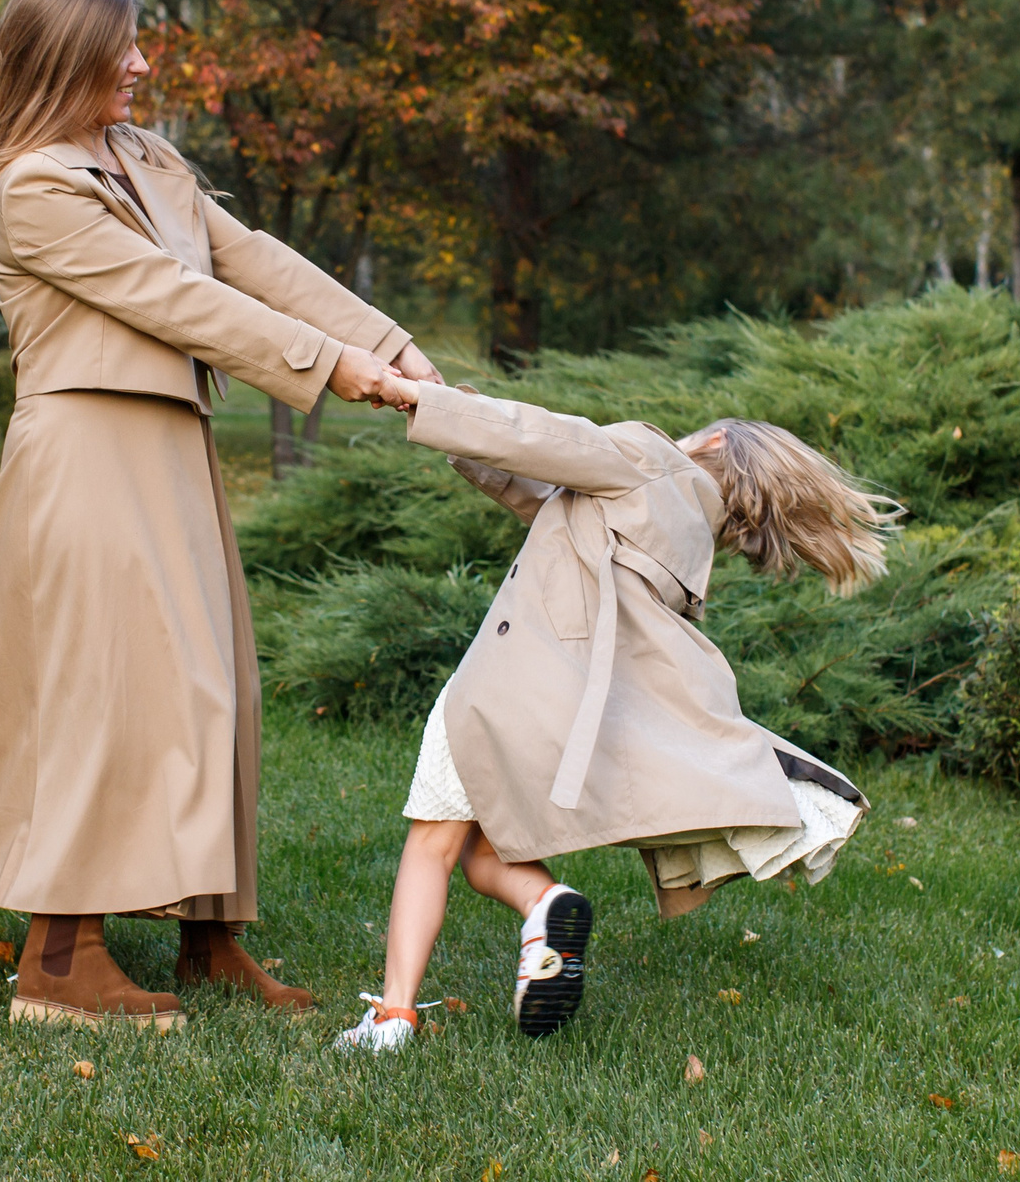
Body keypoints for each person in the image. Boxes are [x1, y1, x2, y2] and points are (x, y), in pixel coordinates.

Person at [0, 0, 439, 1030]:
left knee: (215, 686)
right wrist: (333, 367)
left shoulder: (144, 157)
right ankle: (58, 959)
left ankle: (208, 938)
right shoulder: (32, 186)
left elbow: (251, 260)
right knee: (109, 692)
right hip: (87, 454)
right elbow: (174, 298)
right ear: (64, 59)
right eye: (119, 48)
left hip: (171, 449)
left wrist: (392, 344)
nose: (139, 63)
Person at [333, 380, 897, 1052]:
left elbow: (536, 437)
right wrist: (459, 430)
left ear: (716, 438)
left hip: (502, 687)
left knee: (433, 845)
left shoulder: (646, 458)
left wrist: (423, 399)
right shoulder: (688, 531)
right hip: (562, 712)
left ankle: (392, 1019)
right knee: (485, 853)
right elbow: (549, 502)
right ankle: (546, 907)